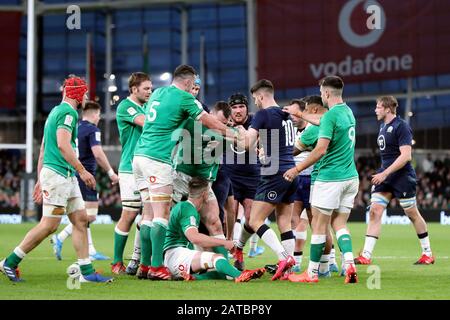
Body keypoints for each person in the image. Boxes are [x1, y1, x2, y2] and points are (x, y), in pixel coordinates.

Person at [132, 64, 244, 280]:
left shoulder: (158, 93)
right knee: (161, 216)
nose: (195, 89)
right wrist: (234, 134)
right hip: (159, 160)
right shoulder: (185, 99)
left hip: (140, 156)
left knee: (148, 214)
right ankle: (156, 266)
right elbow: (211, 124)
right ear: (187, 82)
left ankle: (143, 265)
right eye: (193, 85)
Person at [0, 75, 112, 283]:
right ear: (77, 93)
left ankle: (86, 273)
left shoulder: (55, 112)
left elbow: (44, 148)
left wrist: (40, 178)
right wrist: (82, 171)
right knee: (49, 225)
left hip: (62, 176)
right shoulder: (68, 113)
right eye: (85, 92)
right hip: (60, 175)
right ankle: (10, 261)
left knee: (81, 220)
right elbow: (62, 144)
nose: (87, 96)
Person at [284, 76, 359, 284]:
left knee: (318, 225)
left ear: (325, 93)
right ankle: (350, 264)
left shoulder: (330, 116)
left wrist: (297, 168)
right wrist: (301, 114)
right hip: (351, 177)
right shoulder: (346, 112)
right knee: (340, 223)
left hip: (330, 178)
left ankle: (312, 273)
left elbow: (321, 149)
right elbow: (323, 121)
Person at [354, 96, 434, 265]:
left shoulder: (401, 126)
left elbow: (406, 156)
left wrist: (385, 173)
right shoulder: (383, 126)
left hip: (402, 177)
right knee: (375, 211)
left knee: (412, 214)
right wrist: (384, 173)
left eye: (378, 107)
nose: (375, 110)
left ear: (388, 109)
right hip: (386, 176)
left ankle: (427, 253)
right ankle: (366, 255)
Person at [233, 79, 298, 281]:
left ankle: (283, 258)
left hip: (274, 174)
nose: (256, 103)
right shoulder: (286, 114)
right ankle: (286, 271)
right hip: (291, 171)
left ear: (261, 96)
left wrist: (239, 131)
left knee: (254, 220)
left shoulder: (262, 114)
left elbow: (246, 146)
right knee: (284, 223)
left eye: (255, 99)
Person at [50, 101, 119, 261]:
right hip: (87, 176)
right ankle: (60, 237)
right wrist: (111, 173)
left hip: (75, 174)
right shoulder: (93, 130)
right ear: (95, 114)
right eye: (99, 114)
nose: (99, 118)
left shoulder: (76, 128)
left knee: (85, 215)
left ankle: (91, 250)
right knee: (89, 216)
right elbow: (98, 153)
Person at [163, 177, 265, 282]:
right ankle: (241, 275)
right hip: (175, 255)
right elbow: (194, 238)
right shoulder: (187, 209)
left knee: (221, 274)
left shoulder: (185, 207)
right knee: (216, 257)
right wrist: (224, 242)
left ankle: (193, 278)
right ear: (205, 194)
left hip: (176, 257)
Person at [111, 72, 152, 275]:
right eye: (146, 88)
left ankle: (138, 260)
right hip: (129, 168)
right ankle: (117, 261)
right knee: (129, 214)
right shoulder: (126, 106)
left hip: (148, 166)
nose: (150, 92)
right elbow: (148, 123)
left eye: (151, 88)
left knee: (149, 215)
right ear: (134, 89)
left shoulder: (146, 106)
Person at [224, 93, 264, 270]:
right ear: (229, 109)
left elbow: (263, 140)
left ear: (247, 108)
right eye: (234, 107)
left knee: (250, 218)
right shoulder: (223, 122)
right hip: (229, 174)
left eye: (241, 107)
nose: (238, 110)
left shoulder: (255, 122)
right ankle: (227, 250)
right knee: (228, 215)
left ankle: (239, 249)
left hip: (251, 175)